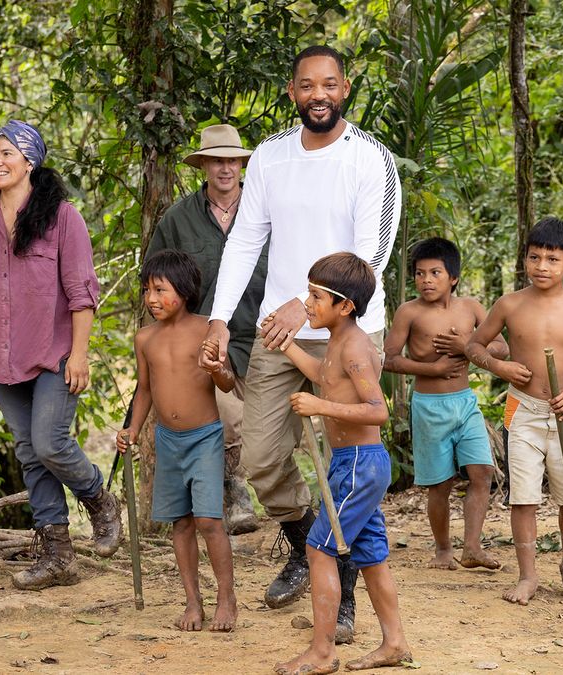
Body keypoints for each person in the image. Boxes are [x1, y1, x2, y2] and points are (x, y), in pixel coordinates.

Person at [201, 44, 401, 642]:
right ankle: (308, 541)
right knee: (261, 459)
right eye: (307, 86)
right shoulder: (268, 157)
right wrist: (219, 316)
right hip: (279, 331)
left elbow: (374, 255)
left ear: (345, 90)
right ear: (292, 92)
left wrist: (308, 295)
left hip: (349, 330)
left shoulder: (372, 159)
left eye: (330, 85)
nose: (320, 95)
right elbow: (244, 243)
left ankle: (339, 586)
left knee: (347, 467)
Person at [0, 120, 122, 590]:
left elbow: (82, 293)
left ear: (30, 161)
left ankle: (100, 501)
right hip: (2, 359)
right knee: (29, 453)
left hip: (54, 354)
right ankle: (57, 555)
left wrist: (80, 354)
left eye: (7, 153)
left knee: (49, 442)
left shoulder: (62, 217)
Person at [274, 253, 410, 675]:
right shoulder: (338, 338)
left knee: (318, 549)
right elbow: (324, 375)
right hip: (351, 465)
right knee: (371, 555)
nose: (308, 304)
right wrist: (287, 346)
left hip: (359, 466)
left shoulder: (354, 347)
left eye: (316, 296)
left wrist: (321, 405)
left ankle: (322, 652)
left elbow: (377, 410)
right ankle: (395, 643)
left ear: (345, 305)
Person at [465, 217, 563, 606]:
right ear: (524, 259)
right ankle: (527, 576)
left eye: (552, 259)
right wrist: (501, 367)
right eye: (534, 257)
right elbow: (474, 346)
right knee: (523, 496)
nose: (542, 266)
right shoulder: (509, 304)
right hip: (521, 410)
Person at [146, 123, 264, 535]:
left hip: (267, 333)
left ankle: (295, 513)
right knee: (227, 417)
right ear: (204, 166)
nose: (225, 168)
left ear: (241, 164)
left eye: (232, 160)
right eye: (217, 160)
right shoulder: (179, 219)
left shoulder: (264, 208)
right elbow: (157, 279)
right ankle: (234, 492)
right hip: (208, 336)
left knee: (270, 428)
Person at [115, 250, 239, 632]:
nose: (151, 299)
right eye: (147, 290)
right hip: (167, 440)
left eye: (160, 290)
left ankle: (226, 598)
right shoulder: (145, 339)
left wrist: (217, 369)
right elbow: (145, 390)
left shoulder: (207, 329)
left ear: (183, 291)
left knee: (208, 519)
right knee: (181, 523)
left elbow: (228, 382)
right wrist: (133, 430)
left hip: (205, 437)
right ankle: (192, 601)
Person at [383, 237, 508, 571]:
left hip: (465, 402)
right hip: (429, 406)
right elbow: (388, 359)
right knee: (440, 484)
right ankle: (442, 550)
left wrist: (467, 345)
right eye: (420, 273)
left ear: (453, 277)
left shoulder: (471, 308)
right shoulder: (409, 312)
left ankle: (472, 547)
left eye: (435, 272)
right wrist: (433, 368)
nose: (426, 280)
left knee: (481, 473)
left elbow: (501, 347)